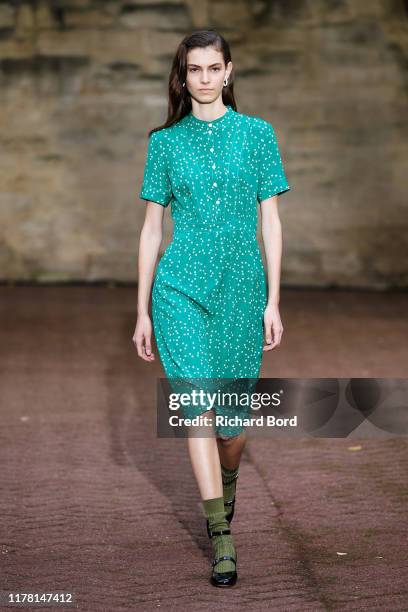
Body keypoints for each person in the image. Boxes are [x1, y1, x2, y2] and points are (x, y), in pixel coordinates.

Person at [133, 29, 290, 587]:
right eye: (192, 69)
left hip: (242, 290)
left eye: (212, 67)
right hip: (179, 290)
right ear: (183, 77)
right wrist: (143, 311)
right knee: (197, 409)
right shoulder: (165, 143)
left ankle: (227, 489)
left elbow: (270, 221)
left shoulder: (257, 135)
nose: (202, 77)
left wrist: (273, 299)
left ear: (228, 72)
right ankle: (220, 536)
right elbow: (151, 231)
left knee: (230, 427)